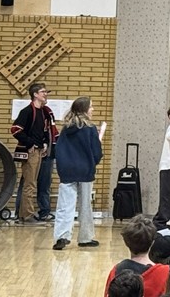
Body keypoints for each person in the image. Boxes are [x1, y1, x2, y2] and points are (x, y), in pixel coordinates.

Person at [52, 96, 104, 250]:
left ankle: (62, 236)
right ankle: (85, 237)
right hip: (85, 170)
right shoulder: (90, 128)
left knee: (64, 205)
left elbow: (58, 150)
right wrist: (94, 159)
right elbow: (96, 152)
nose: (93, 109)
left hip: (67, 170)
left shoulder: (66, 129)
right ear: (84, 110)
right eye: (91, 107)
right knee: (85, 204)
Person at [11, 81, 56, 223]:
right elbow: (15, 130)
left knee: (33, 183)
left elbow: (42, 132)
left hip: (38, 150)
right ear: (35, 94)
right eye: (43, 92)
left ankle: (26, 213)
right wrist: (30, 142)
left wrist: (43, 144)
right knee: (29, 184)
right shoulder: (27, 111)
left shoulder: (43, 112)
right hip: (30, 151)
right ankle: (26, 215)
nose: (46, 94)